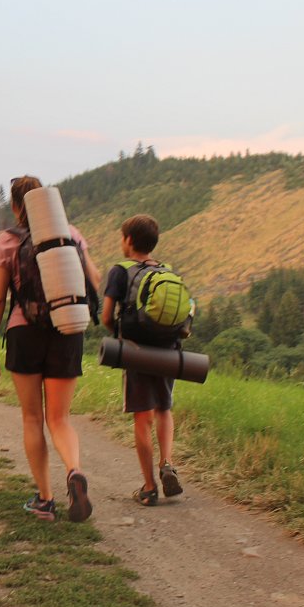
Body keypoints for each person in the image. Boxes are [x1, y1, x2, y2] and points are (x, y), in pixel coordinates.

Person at [0, 175, 100, 522]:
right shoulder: (70, 234)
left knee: (32, 418)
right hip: (67, 329)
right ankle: (74, 470)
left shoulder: (7, 240)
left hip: (25, 331)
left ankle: (45, 500)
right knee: (59, 418)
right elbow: (94, 280)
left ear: (15, 206)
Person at [99, 214, 185, 507]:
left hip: (137, 352)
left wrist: (119, 336)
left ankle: (149, 488)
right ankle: (167, 462)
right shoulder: (166, 271)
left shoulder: (120, 271)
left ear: (128, 240)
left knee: (142, 417)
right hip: (169, 350)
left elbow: (106, 316)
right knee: (164, 408)